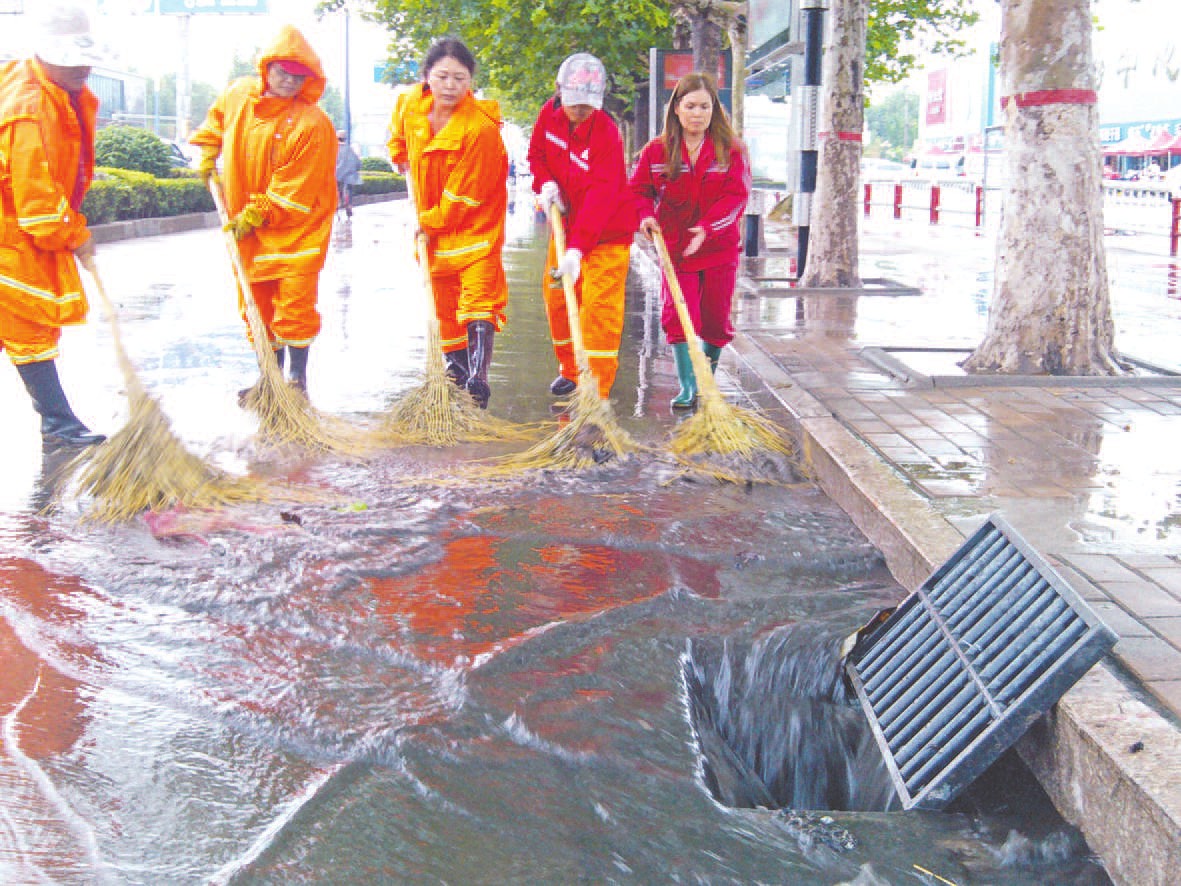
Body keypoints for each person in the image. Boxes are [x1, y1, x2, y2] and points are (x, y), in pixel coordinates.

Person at [191, 26, 337, 399]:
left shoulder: (312, 124)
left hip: (298, 230)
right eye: (282, 71)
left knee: (295, 305)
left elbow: (295, 188)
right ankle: (268, 381)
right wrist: (208, 150)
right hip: (250, 230)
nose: (288, 81)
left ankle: (297, 382)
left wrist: (256, 214)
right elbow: (214, 124)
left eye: (297, 75)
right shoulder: (239, 95)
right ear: (266, 68)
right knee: (256, 304)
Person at [0, 3, 107, 447]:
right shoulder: (27, 106)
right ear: (43, 55)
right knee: (30, 324)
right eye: (69, 57)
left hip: (17, 227)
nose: (82, 66)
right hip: (13, 231)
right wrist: (74, 234)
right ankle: (59, 424)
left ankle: (58, 422)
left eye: (83, 56)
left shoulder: (54, 90)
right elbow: (37, 199)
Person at [387, 38, 509, 409]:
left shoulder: (481, 129)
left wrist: (428, 222)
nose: (451, 85)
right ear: (427, 77)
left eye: (460, 77)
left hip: (475, 228)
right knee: (444, 307)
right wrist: (398, 155)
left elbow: (463, 197)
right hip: (435, 232)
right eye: (442, 76)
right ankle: (454, 375)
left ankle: (477, 377)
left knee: (477, 301)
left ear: (471, 80)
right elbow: (398, 138)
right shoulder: (410, 105)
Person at [630, 72, 751, 409]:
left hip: (718, 248)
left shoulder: (732, 150)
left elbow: (737, 197)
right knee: (679, 315)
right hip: (676, 251)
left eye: (705, 107)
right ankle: (687, 387)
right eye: (691, 106)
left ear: (715, 110)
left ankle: (704, 380)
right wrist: (645, 216)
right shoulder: (656, 151)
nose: (697, 114)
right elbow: (639, 191)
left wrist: (708, 229)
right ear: (677, 110)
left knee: (714, 320)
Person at [527, 52, 638, 401]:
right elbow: (537, 155)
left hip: (606, 234)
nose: (579, 111)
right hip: (567, 223)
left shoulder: (606, 133)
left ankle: (597, 392)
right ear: (559, 91)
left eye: (587, 105)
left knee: (599, 311)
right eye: (574, 103)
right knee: (558, 297)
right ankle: (571, 371)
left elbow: (601, 196)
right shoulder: (549, 115)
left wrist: (578, 249)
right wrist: (545, 184)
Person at [335, 130, 362, 218]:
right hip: (349, 176)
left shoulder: (333, 149)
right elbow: (358, 163)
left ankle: (337, 204)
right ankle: (349, 205)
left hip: (337, 175)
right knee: (349, 189)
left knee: (337, 190)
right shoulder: (350, 150)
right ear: (345, 139)